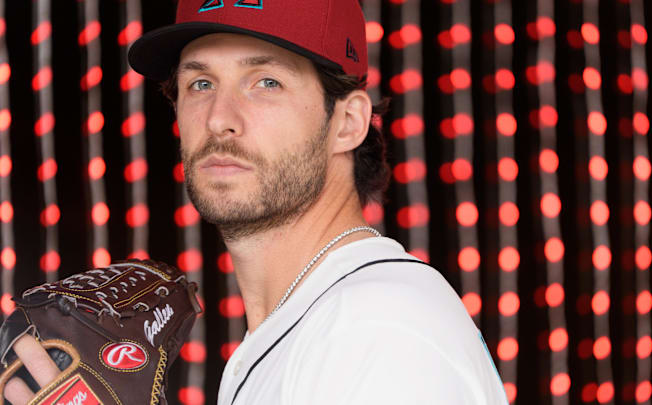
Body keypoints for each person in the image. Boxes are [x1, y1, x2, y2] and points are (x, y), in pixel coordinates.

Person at [4, 0, 509, 404]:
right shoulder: (301, 325)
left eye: (266, 82)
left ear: (348, 122)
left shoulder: (376, 326)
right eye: (200, 83)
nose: (220, 117)